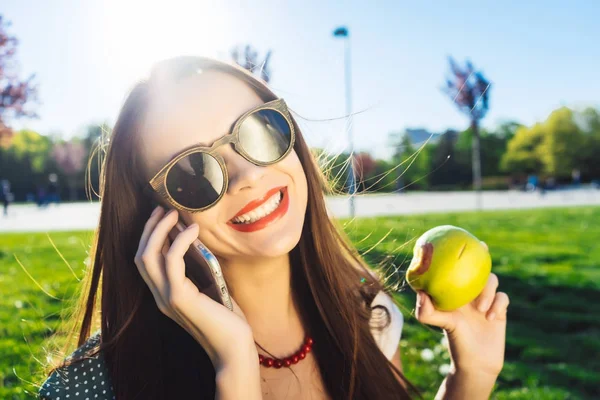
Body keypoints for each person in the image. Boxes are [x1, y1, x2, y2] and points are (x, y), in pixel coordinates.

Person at [38, 57, 509, 399]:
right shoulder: (90, 389)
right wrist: (235, 368)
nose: (248, 176)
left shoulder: (367, 315)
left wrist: (471, 379)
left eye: (260, 129)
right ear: (156, 216)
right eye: (194, 172)